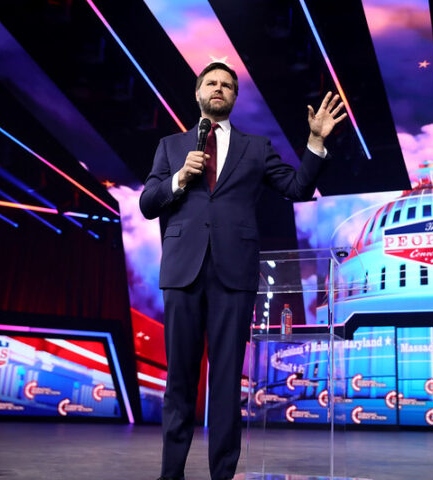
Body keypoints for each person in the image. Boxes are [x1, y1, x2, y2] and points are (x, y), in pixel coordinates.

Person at [139, 62, 346, 480]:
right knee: (179, 380)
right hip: (182, 271)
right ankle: (170, 475)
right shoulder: (171, 146)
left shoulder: (256, 147)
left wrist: (316, 142)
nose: (219, 89)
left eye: (227, 85)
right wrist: (179, 178)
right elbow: (147, 204)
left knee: (228, 379)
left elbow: (297, 187)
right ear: (198, 91)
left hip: (234, 275)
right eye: (211, 83)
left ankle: (222, 475)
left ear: (234, 98)